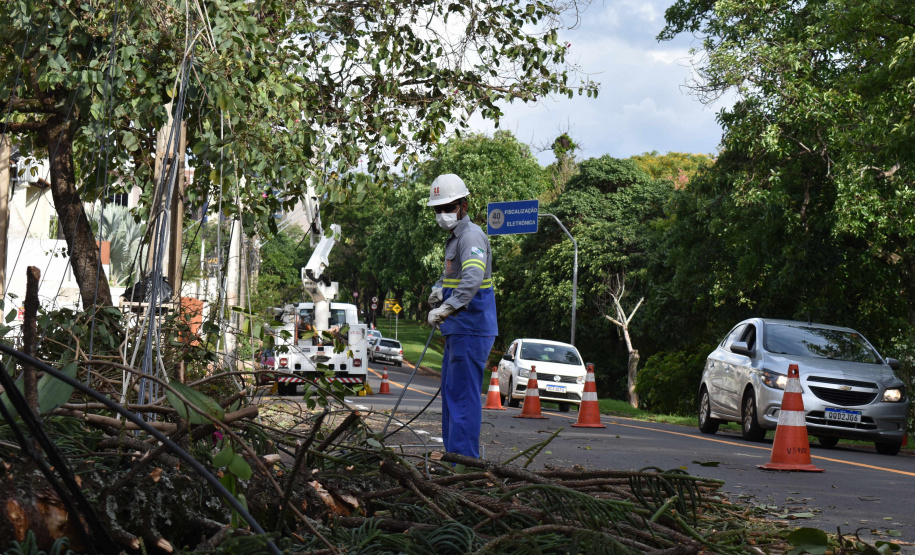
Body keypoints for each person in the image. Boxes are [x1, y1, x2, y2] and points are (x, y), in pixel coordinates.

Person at [426, 174, 497, 459]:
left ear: (463, 205)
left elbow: (472, 279)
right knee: (453, 395)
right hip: (459, 328)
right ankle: (454, 455)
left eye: (448, 207)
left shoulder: (471, 236)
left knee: (464, 398)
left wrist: (446, 307)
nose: (443, 214)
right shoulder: (456, 238)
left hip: (471, 327)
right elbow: (452, 277)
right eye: (438, 209)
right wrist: (438, 290)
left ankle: (464, 460)